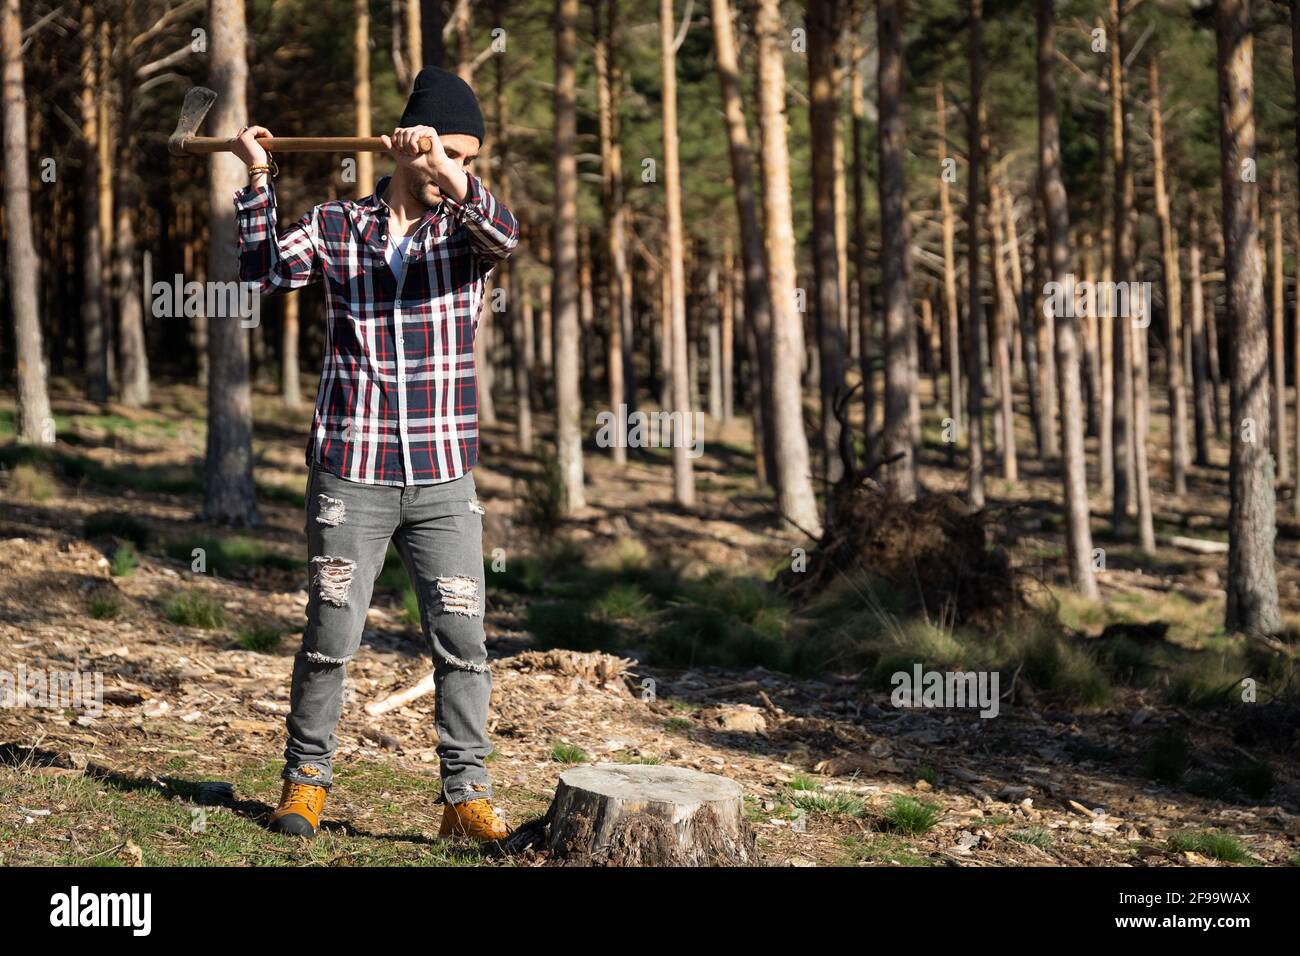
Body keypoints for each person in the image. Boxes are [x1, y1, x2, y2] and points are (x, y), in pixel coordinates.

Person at [231, 66, 519, 841]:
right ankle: (304, 783)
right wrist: (259, 175)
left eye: (468, 157)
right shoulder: (336, 225)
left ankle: (466, 797)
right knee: (331, 638)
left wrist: (446, 168)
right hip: (349, 473)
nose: (457, 167)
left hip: (442, 478)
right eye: (445, 149)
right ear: (398, 145)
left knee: (463, 643)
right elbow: (261, 270)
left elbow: (505, 232)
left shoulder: (464, 230)